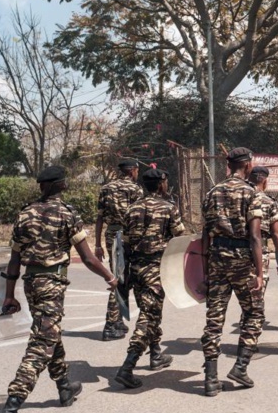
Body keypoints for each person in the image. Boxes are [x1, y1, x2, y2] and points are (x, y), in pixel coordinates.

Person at [0, 165, 117, 413]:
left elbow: (14, 261)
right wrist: (110, 277)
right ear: (62, 185)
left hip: (31, 283)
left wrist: (9, 295)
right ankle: (11, 409)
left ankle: (64, 386)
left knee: (50, 332)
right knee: (41, 344)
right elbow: (86, 257)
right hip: (52, 282)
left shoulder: (24, 214)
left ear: (42, 186)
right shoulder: (67, 213)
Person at [199, 147, 264, 397]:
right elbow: (256, 236)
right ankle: (240, 366)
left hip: (216, 257)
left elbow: (205, 234)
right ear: (247, 165)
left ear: (229, 166)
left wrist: (205, 270)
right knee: (254, 313)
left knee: (214, 319)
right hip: (242, 260)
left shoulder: (212, 192)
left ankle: (210, 378)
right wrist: (259, 273)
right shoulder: (251, 193)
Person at [115, 169, 186, 389]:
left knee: (151, 311)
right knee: (149, 316)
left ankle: (155, 354)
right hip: (158, 268)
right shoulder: (168, 208)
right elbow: (180, 238)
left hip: (136, 268)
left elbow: (123, 245)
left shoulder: (132, 209)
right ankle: (127, 366)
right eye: (165, 182)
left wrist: (124, 275)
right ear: (161, 184)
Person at [94, 159, 144, 341]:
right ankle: (110, 324)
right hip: (127, 237)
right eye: (137, 170)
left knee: (120, 275)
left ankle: (117, 320)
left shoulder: (106, 188)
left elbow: (99, 218)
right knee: (121, 279)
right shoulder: (135, 189)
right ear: (132, 171)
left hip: (111, 235)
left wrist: (98, 244)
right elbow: (138, 217)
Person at [248, 166, 278, 294]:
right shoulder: (269, 202)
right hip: (260, 253)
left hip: (238, 251)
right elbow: (276, 234)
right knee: (256, 300)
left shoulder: (241, 197)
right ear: (264, 181)